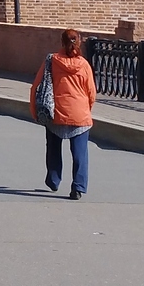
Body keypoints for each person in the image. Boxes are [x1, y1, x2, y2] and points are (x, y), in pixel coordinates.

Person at [32, 29, 99, 199]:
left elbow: (36, 86)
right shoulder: (84, 64)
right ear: (79, 42)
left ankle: (54, 180)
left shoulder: (52, 60)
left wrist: (34, 111)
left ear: (61, 42)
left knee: (53, 148)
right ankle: (78, 187)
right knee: (80, 153)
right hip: (80, 113)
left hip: (56, 112)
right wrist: (86, 109)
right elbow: (91, 92)